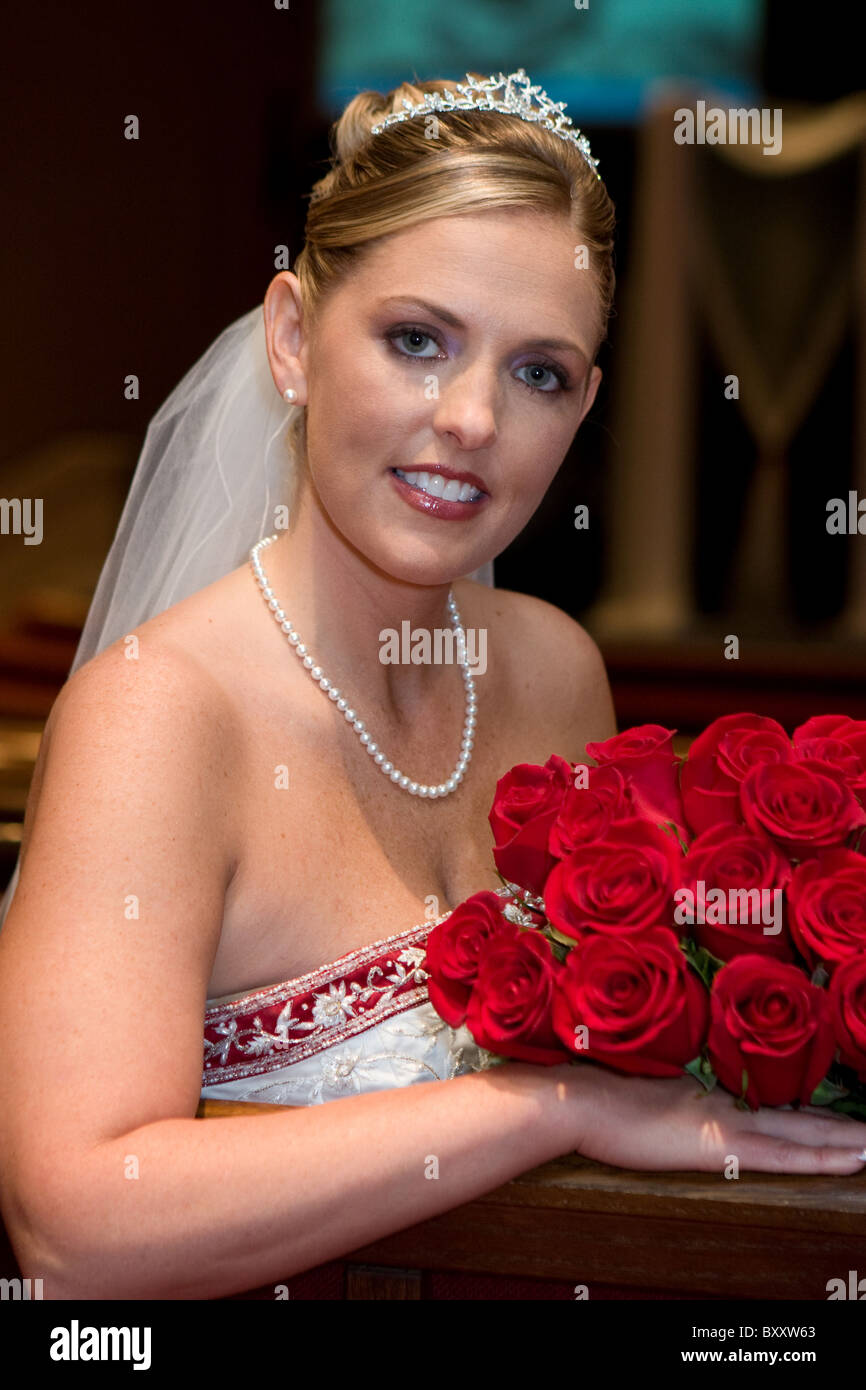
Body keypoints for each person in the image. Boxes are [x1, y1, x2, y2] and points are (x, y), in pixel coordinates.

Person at [0, 70, 864, 1303]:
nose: (470, 419)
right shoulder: (162, 714)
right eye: (418, 341)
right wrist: (544, 1108)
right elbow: (80, 1223)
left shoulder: (553, 667)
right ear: (292, 337)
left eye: (538, 373)